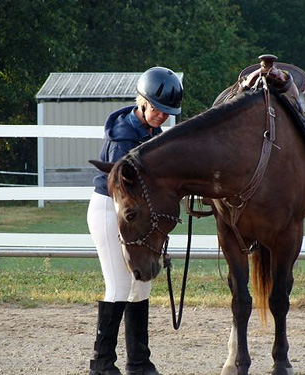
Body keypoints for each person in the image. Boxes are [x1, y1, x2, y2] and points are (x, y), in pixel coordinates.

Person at [87, 66, 183, 375]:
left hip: (134, 213)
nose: (162, 117)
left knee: (142, 285)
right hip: (110, 211)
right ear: (141, 101)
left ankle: (139, 362)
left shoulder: (149, 131)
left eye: (167, 112)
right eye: (157, 109)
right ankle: (101, 365)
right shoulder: (123, 139)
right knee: (118, 285)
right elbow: (132, 185)